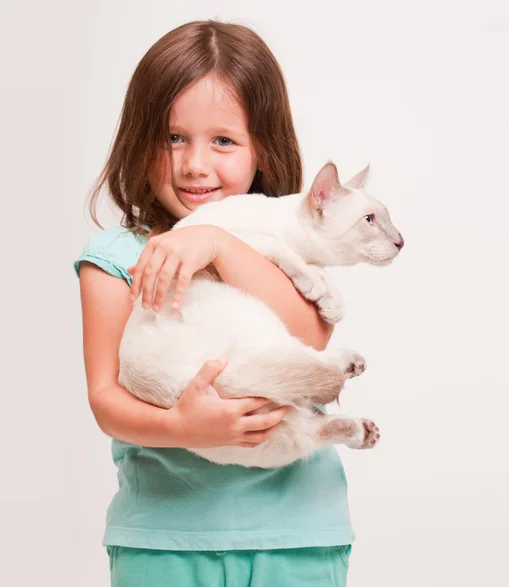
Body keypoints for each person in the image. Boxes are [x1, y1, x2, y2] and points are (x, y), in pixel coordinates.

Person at [74, 20, 354, 587]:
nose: (194, 164)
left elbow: (311, 338)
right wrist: (182, 426)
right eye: (174, 137)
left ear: (263, 150)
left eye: (223, 141)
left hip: (296, 532)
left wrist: (218, 242)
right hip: (164, 538)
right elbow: (105, 399)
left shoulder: (280, 248)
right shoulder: (118, 255)